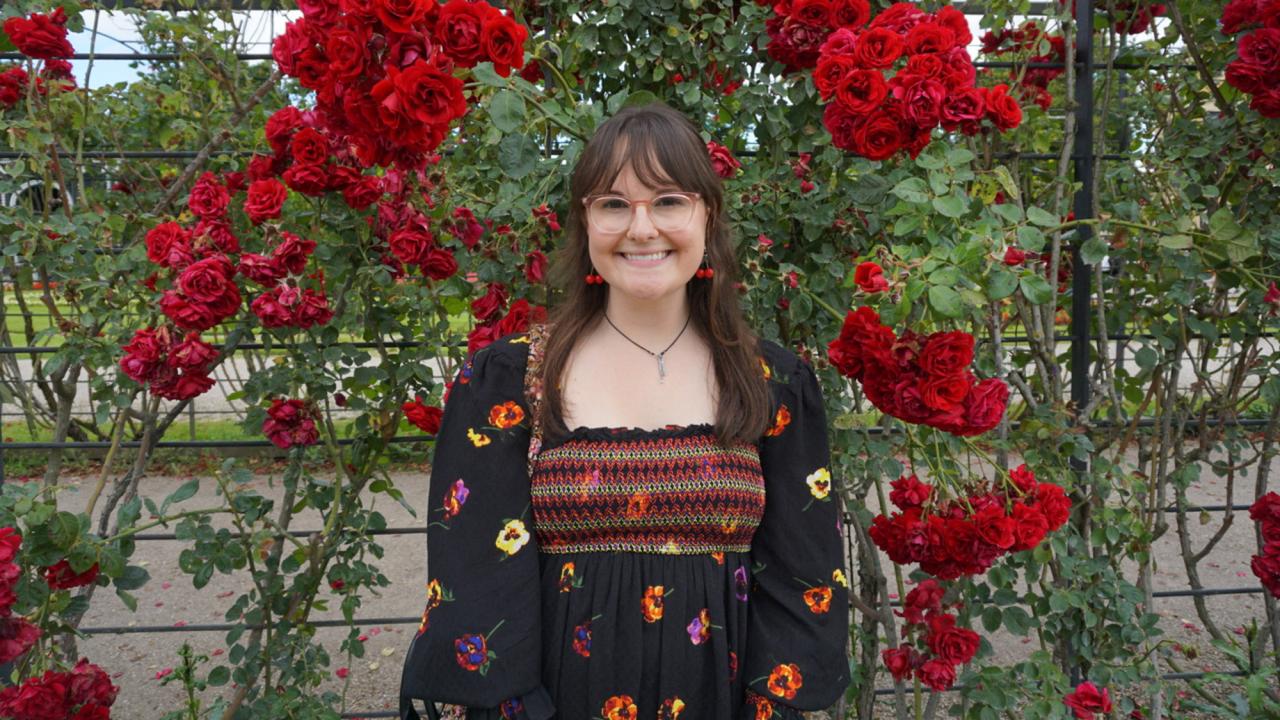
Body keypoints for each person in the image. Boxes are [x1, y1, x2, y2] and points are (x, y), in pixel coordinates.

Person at [400, 102, 850, 720]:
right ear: (586, 223)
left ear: (707, 216)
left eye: (668, 201)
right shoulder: (508, 381)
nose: (641, 228)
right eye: (614, 204)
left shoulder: (771, 382)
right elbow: (476, 577)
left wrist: (770, 705)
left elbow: (806, 578)